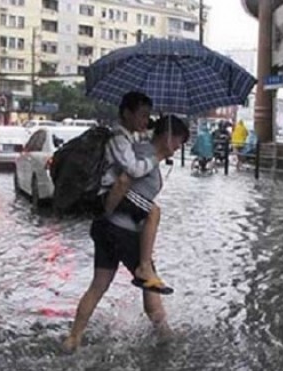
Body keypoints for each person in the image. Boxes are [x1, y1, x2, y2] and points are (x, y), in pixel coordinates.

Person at [63, 115, 190, 352]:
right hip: (123, 230)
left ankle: (73, 338)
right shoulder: (143, 156)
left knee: (99, 284)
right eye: (179, 141)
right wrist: (110, 210)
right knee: (150, 281)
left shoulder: (144, 154)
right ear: (168, 137)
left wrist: (105, 215)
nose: (180, 147)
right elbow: (123, 181)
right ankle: (165, 337)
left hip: (104, 228)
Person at [99, 92, 174, 295]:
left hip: (116, 196)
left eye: (148, 115)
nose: (145, 120)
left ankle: (77, 329)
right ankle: (144, 267)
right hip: (110, 194)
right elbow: (132, 170)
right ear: (126, 113)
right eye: (142, 115)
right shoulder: (118, 138)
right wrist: (158, 156)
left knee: (98, 286)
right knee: (153, 211)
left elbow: (146, 138)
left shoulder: (130, 136)